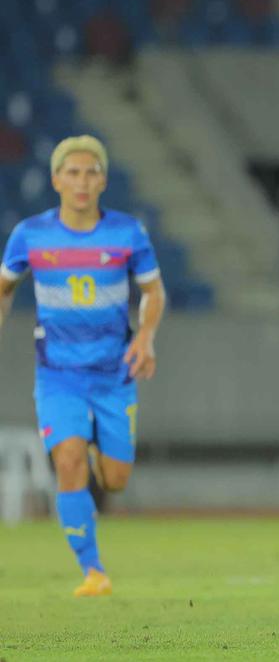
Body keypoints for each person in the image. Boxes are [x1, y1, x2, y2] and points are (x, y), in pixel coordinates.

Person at [0, 135, 165, 597]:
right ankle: (93, 571)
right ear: (56, 179)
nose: (82, 181)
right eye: (72, 172)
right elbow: (4, 288)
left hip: (115, 374)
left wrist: (146, 336)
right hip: (58, 376)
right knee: (68, 460)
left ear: (104, 180)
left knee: (114, 480)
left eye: (91, 172)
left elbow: (153, 292)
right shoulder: (30, 235)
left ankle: (98, 446)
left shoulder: (127, 233)